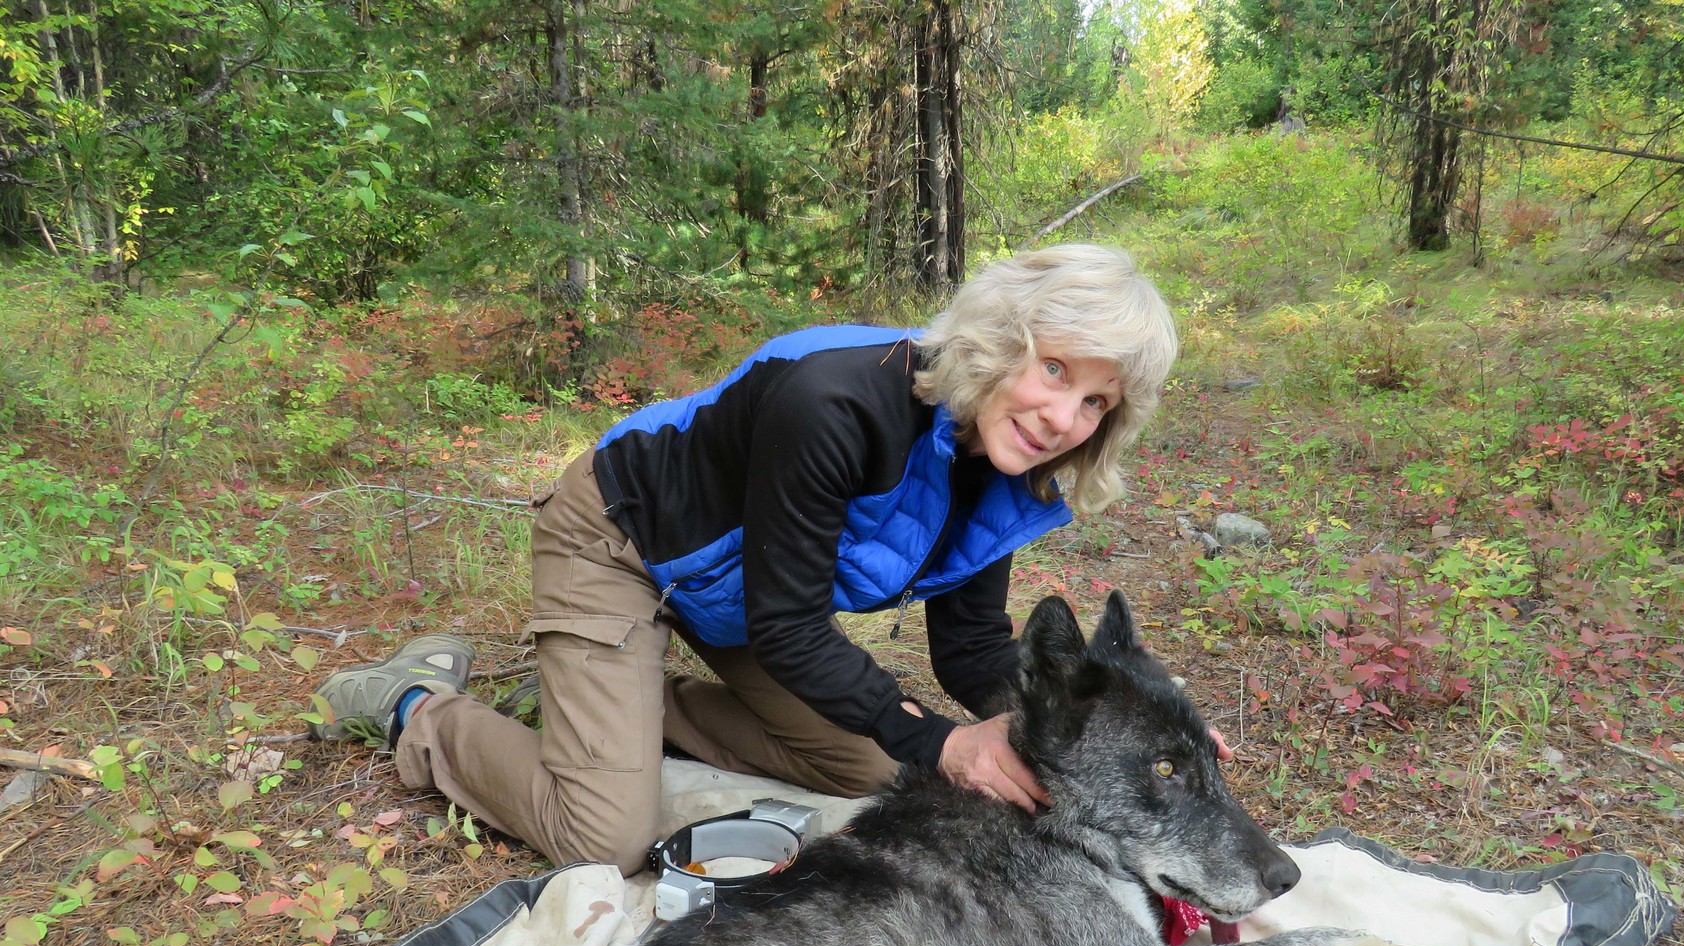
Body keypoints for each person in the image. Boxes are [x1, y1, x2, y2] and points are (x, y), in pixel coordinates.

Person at [311, 243, 1195, 873]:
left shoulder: (1010, 472)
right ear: (1003, 341)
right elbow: (789, 625)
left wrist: (1123, 726)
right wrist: (943, 739)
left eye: (1094, 404)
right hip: (621, 540)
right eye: (1054, 370)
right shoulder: (839, 400)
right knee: (601, 839)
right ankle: (414, 702)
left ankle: (611, 705)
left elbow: (967, 650)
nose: (1062, 419)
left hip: (742, 593)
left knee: (881, 766)